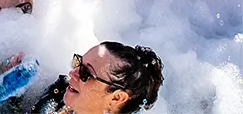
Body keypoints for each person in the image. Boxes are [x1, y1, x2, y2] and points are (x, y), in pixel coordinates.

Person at [29, 42, 163, 113]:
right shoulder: (59, 93)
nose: (72, 73)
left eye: (86, 74)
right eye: (78, 63)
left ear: (117, 97)